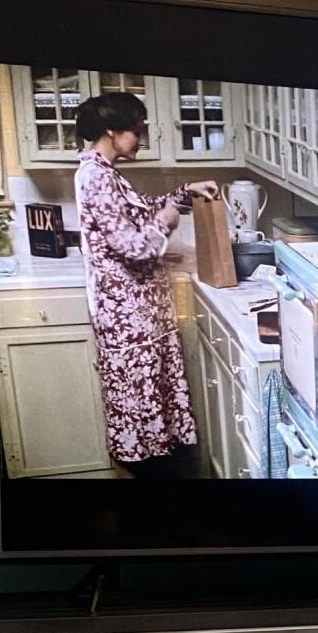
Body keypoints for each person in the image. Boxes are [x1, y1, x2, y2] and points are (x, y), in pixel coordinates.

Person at [71, 91, 219, 478]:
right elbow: (134, 247)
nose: (141, 138)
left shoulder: (105, 173)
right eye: (136, 131)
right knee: (138, 411)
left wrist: (185, 193)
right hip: (128, 318)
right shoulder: (96, 177)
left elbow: (141, 210)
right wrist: (165, 222)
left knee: (148, 406)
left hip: (140, 314)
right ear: (111, 131)